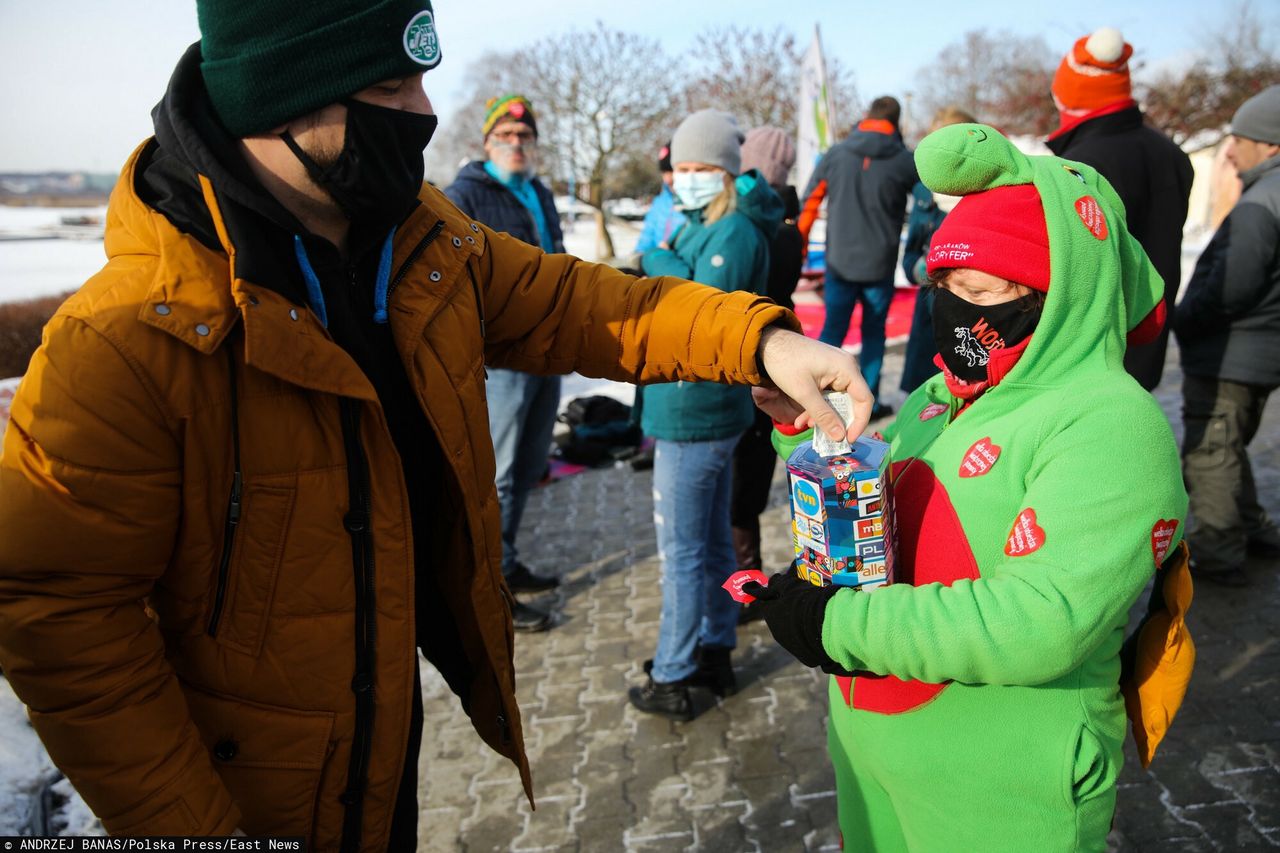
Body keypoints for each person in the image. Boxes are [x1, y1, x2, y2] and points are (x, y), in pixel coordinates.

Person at [0, 2, 874, 845]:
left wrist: (760, 341)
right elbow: (64, 623)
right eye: (390, 87)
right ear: (282, 92)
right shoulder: (122, 340)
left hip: (385, 752)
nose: (424, 112)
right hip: (246, 797)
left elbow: (581, 303)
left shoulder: (418, 238)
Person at [749, 124, 1186, 851]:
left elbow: (1041, 619)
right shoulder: (940, 393)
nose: (956, 313)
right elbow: (873, 506)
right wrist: (811, 433)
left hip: (997, 782)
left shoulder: (1110, 423)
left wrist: (834, 625)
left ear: (1059, 297)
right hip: (877, 743)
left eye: (981, 290)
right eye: (944, 288)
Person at [628, 110, 783, 720]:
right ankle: (716, 644)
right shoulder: (705, 223)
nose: (684, 179)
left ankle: (674, 670)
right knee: (716, 542)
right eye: (680, 168)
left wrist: (656, 260)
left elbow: (700, 307)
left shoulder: (734, 231)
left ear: (725, 172)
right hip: (696, 408)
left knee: (684, 550)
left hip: (696, 411)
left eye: (699, 169)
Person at [445, 95, 562, 632]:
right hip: (504, 361)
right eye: (506, 137)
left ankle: (509, 564)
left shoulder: (538, 191)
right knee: (502, 476)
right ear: (487, 143)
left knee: (530, 467)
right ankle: (491, 591)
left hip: (547, 354)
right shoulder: (465, 196)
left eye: (525, 137)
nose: (517, 145)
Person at [1046, 27, 1194, 391]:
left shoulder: (1081, 165)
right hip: (1148, 336)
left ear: (1070, 97)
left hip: (1089, 355)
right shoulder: (1170, 153)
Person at [1173, 84, 1280, 587]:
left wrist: (1188, 316)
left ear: (1271, 146)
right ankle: (1254, 528)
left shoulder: (1262, 203)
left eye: (1241, 138)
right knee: (1229, 445)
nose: (1231, 150)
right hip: (1257, 354)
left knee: (1210, 452)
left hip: (1232, 355)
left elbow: (1234, 284)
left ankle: (1218, 551)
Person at [799, 96, 917, 418]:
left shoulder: (836, 154)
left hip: (839, 263)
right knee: (873, 334)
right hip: (879, 265)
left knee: (832, 332)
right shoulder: (905, 161)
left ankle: (817, 395)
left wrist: (800, 245)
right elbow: (925, 203)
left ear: (866, 116)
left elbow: (809, 202)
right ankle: (871, 401)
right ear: (896, 122)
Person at [730, 127, 804, 583]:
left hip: (750, 355)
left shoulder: (754, 224)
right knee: (755, 468)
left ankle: (745, 576)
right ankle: (748, 571)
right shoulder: (790, 221)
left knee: (742, 478)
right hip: (781, 352)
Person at [899, 105, 975, 394]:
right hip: (930, 309)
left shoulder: (987, 194)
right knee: (926, 397)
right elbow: (910, 256)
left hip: (973, 315)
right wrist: (921, 269)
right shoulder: (923, 193)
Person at [633, 141, 686, 255]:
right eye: (664, 173)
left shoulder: (695, 203)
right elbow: (647, 236)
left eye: (671, 171)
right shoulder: (660, 202)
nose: (668, 179)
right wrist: (639, 258)